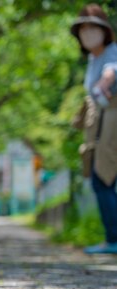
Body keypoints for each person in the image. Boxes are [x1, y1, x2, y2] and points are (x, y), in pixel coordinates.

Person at [70, 4, 117, 255]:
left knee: (104, 179)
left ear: (104, 30)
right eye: (83, 29)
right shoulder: (93, 58)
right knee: (103, 180)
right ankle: (111, 237)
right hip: (100, 124)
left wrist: (105, 82)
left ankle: (113, 238)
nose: (87, 33)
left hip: (112, 124)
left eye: (92, 28)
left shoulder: (110, 53)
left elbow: (112, 71)